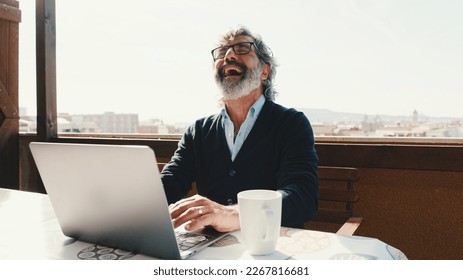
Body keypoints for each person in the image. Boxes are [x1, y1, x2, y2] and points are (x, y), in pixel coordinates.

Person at [161, 26, 318, 232]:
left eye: (242, 48)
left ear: (264, 71)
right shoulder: (198, 131)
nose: (229, 56)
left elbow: (302, 196)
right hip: (208, 248)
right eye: (221, 51)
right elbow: (169, 184)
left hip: (270, 246)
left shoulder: (291, 124)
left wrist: (233, 215)